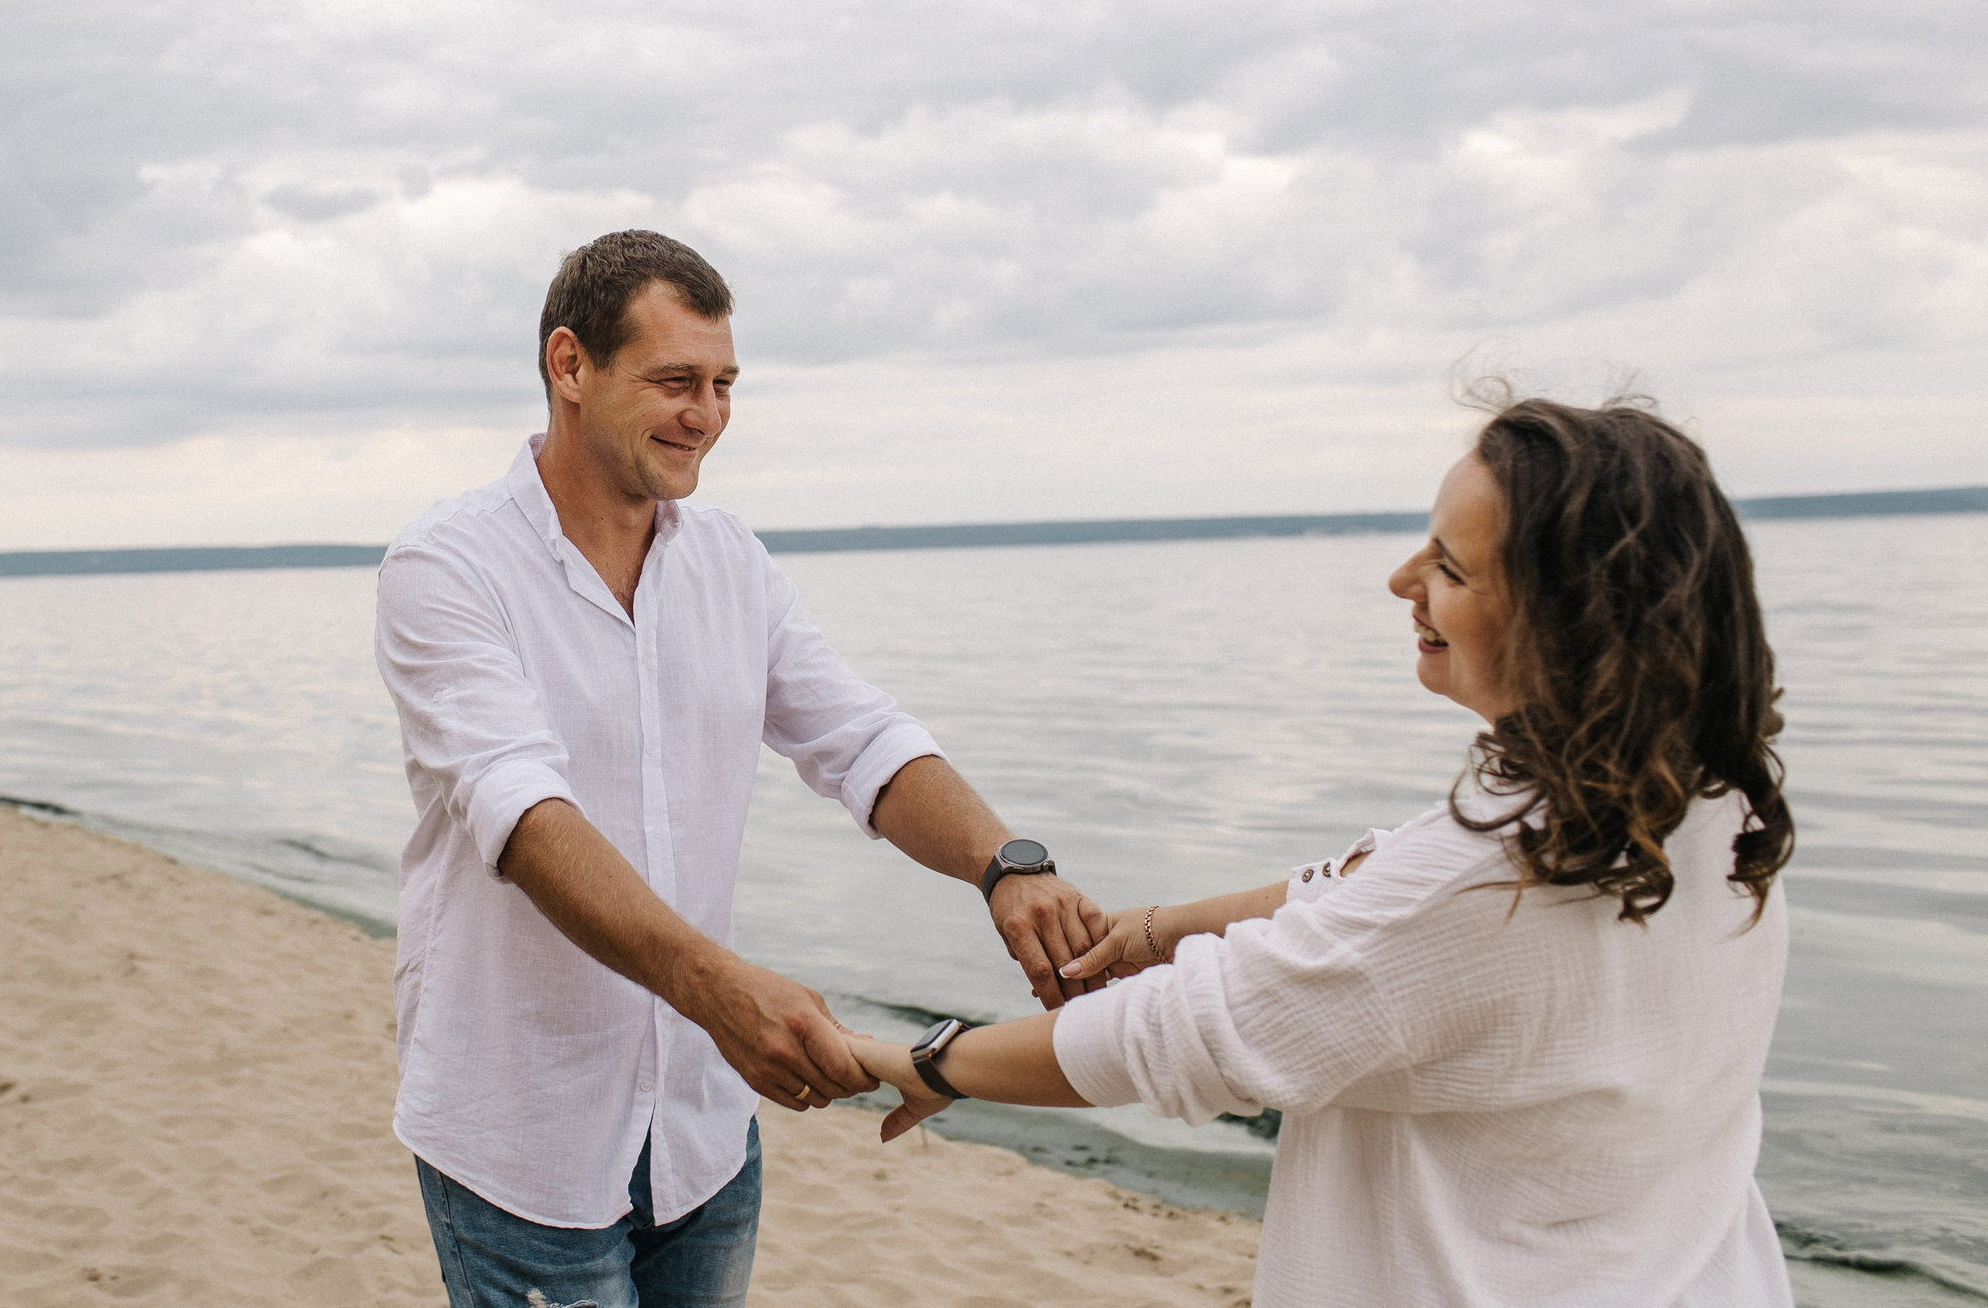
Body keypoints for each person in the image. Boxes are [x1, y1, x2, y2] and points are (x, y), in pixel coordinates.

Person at [844, 396, 1798, 1307]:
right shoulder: (1701, 801)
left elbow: (1176, 1038)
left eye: (1452, 568)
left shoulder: (1490, 882)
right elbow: (1367, 882)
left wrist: (925, 1060)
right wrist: (1150, 930)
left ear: (1570, 621)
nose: (1402, 579)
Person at [375, 229, 1110, 1308]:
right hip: (520, 1139)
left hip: (702, 1135)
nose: (706, 414)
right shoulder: (445, 566)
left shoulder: (729, 563)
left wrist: (1006, 866)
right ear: (568, 366)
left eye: (723, 384)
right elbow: (522, 812)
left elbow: (857, 739)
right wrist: (722, 990)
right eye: (675, 380)